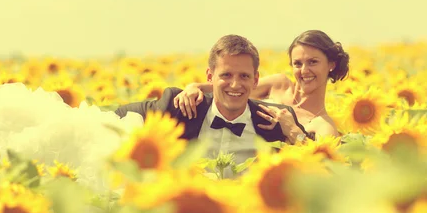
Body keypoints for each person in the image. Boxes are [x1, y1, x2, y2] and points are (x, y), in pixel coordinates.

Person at [115, 34, 313, 176]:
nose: (235, 85)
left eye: (244, 76)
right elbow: (115, 117)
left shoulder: (276, 119)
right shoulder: (180, 107)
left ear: (255, 79)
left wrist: (296, 133)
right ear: (210, 76)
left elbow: (320, 169)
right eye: (226, 75)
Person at [173, 30, 350, 140]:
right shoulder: (278, 85)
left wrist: (295, 132)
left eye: (313, 62)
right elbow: (233, 88)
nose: (304, 70)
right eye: (297, 63)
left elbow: (324, 167)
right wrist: (194, 87)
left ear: (331, 65)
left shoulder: (323, 126)